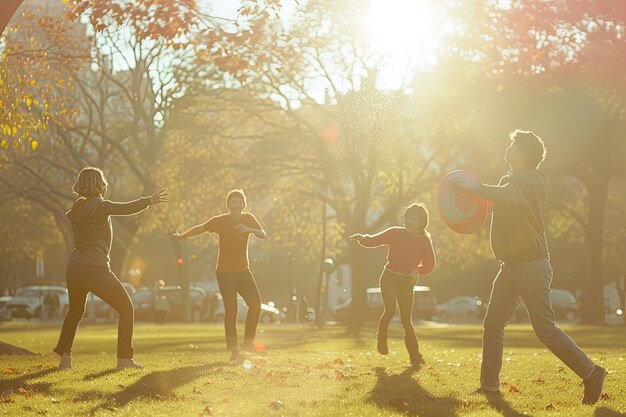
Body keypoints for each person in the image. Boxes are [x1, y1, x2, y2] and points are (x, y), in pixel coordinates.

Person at [455, 129, 605, 404]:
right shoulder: (508, 181)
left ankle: (592, 372)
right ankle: (489, 387)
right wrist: (460, 203)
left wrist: (475, 187)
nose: (508, 148)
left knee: (545, 329)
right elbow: (490, 204)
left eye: (513, 144)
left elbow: (507, 197)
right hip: (509, 266)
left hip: (533, 266)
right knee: (493, 324)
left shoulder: (533, 180)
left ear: (525, 152)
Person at [53, 167, 167, 370]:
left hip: (74, 267)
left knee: (75, 311)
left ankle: (65, 358)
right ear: (99, 184)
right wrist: (148, 200)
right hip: (94, 267)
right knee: (126, 308)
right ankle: (124, 359)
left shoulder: (78, 205)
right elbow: (125, 208)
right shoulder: (100, 206)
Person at [171, 189, 267, 361]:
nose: (236, 204)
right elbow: (200, 228)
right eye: (233, 202)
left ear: (243, 204)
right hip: (224, 273)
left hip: (243, 271)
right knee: (231, 310)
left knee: (256, 304)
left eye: (239, 202)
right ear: (228, 205)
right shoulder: (220, 221)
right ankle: (234, 350)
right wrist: (182, 236)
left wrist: (248, 228)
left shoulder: (248, 218)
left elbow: (263, 235)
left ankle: (248, 342)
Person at [349, 203, 436, 367]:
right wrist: (362, 238)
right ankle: (381, 338)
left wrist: (417, 270)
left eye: (412, 218)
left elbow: (430, 265)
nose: (407, 221)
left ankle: (415, 356)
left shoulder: (425, 241)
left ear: (421, 222)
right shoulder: (395, 233)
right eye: (406, 217)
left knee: (406, 320)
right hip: (389, 277)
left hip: (406, 282)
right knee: (389, 310)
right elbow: (374, 240)